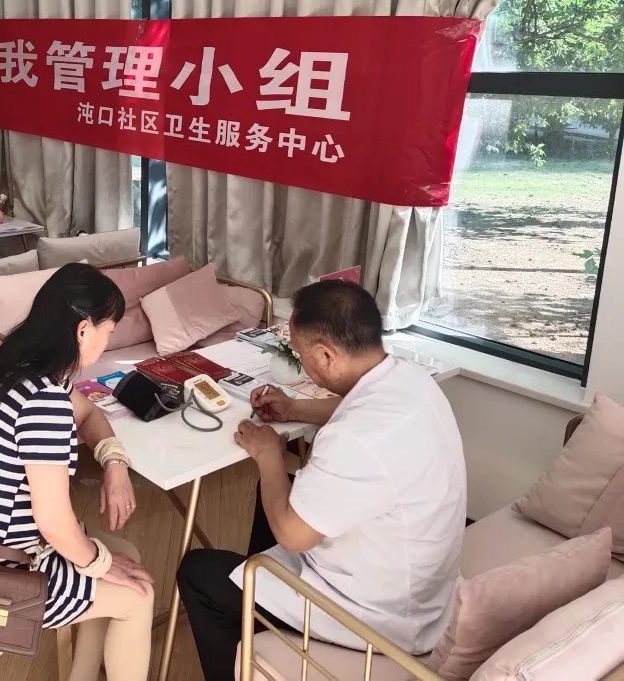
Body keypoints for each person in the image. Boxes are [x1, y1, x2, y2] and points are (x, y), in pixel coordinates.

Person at [177, 280, 466, 681]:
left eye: (301, 354)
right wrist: (294, 407)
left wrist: (269, 455)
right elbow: (355, 405)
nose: (301, 363)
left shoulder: (355, 439)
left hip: (376, 619)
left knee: (198, 572)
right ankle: (258, 618)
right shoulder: (410, 379)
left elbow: (293, 536)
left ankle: (252, 647)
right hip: (419, 591)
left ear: (326, 354)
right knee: (275, 497)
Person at [0, 263, 155, 681]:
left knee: (124, 554)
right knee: (138, 595)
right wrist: (98, 564)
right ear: (83, 330)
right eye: (109, 330)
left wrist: (114, 463)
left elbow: (89, 414)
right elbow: (54, 523)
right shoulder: (44, 404)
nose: (109, 339)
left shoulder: (22, 370)